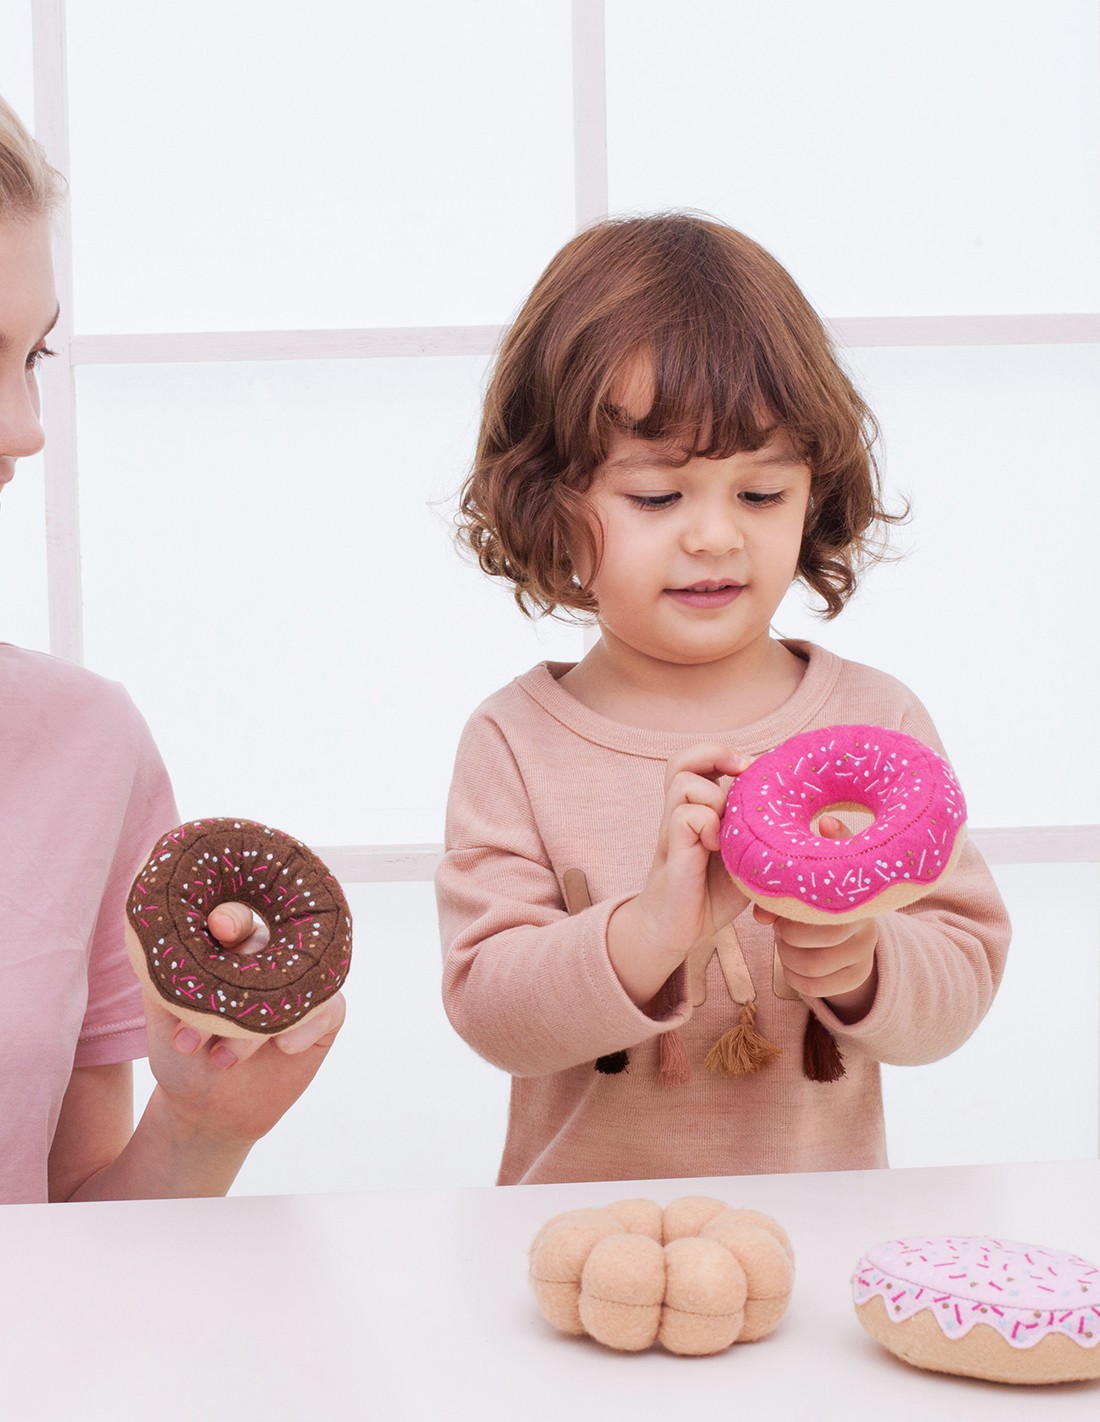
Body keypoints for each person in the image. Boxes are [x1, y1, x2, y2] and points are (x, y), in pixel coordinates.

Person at [436, 213, 1010, 1186]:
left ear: (813, 494)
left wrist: (865, 964)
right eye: (657, 498)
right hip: (580, 1260)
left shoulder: (874, 721)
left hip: (819, 1258)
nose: (713, 538)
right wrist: (644, 932)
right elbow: (491, 1013)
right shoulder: (514, 741)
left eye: (759, 495)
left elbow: (961, 973)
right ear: (547, 503)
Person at [0, 94, 345, 1204]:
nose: (25, 427)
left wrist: (202, 1127)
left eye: (31, 356)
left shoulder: (84, 750)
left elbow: (72, 1240)